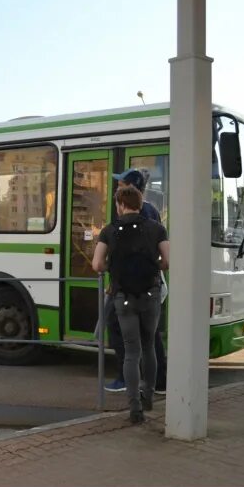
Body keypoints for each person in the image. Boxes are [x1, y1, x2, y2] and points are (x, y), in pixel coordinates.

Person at [92, 186, 170, 424]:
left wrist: (112, 267)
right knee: (149, 348)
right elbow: (167, 260)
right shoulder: (157, 229)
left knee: (131, 352)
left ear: (119, 204)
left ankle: (134, 409)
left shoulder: (109, 231)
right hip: (150, 295)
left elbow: (97, 264)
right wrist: (155, 264)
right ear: (140, 202)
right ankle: (148, 398)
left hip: (123, 297)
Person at [104, 168, 168, 395]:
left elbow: (125, 252)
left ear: (129, 188)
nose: (117, 187)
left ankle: (125, 377)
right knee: (150, 335)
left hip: (129, 284)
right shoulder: (152, 212)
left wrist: (115, 279)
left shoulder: (128, 217)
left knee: (115, 324)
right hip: (149, 283)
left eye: (120, 184)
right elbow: (162, 255)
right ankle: (159, 382)